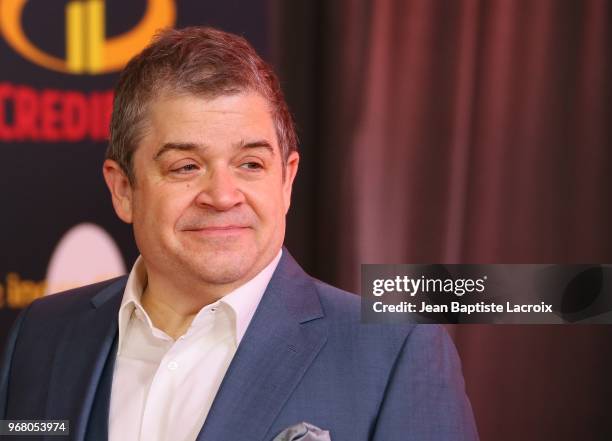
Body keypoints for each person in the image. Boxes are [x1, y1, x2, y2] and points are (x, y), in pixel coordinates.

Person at [0, 27, 478, 441]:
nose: (223, 195)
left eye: (250, 164)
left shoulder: (395, 351)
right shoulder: (41, 335)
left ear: (287, 181)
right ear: (124, 189)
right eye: (186, 167)